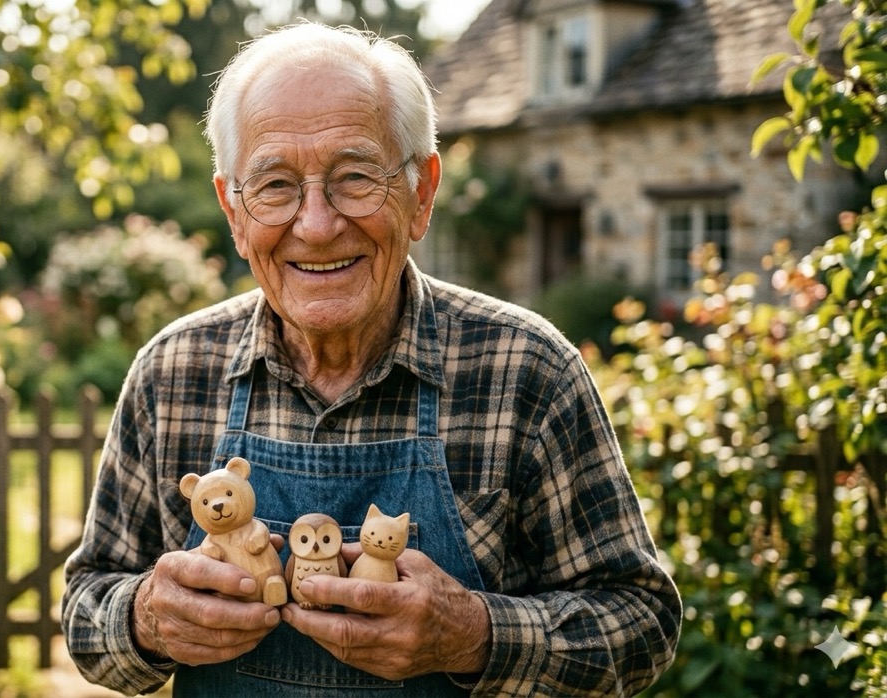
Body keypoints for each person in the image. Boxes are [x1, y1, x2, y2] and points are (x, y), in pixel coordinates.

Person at [62, 21, 681, 696]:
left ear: (421, 193)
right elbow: (87, 610)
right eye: (275, 186)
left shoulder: (528, 371)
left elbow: (642, 625)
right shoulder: (171, 374)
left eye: (355, 177)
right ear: (233, 211)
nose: (318, 223)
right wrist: (146, 618)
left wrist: (476, 635)